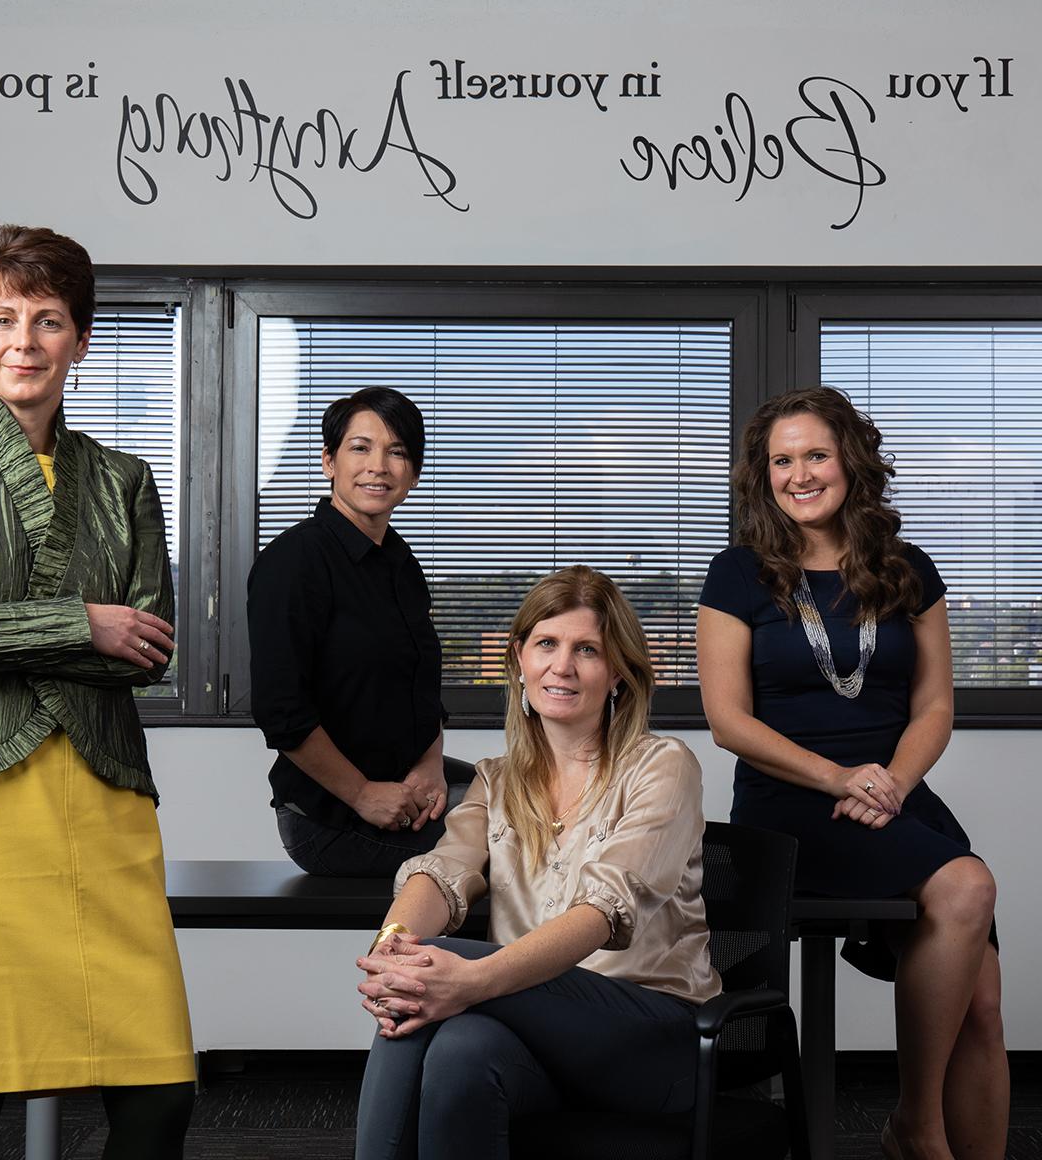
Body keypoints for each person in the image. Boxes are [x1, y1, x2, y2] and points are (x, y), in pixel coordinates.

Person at [0, 225, 196, 1160]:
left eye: (48, 319)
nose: (25, 339)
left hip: (102, 807)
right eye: (2, 317)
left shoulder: (127, 480)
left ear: (80, 341)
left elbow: (151, 653)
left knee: (158, 1098)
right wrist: (77, 622)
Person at [696, 386, 1007, 1160]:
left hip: (897, 792)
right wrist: (837, 779)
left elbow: (934, 705)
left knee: (985, 1007)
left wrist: (893, 782)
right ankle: (916, 1126)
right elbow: (729, 720)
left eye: (815, 456)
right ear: (762, 475)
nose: (799, 474)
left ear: (851, 464)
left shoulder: (909, 569)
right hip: (790, 802)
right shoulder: (739, 573)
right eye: (781, 461)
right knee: (967, 885)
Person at [352, 566, 720, 1160]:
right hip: (532, 1036)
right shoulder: (496, 781)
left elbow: (604, 911)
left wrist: (468, 979)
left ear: (619, 671)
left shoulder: (663, 766)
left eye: (588, 650)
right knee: (458, 1049)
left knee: (433, 972)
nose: (563, 666)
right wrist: (391, 950)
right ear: (518, 658)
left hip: (655, 1043)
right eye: (546, 644)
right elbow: (441, 874)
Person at [247, 386, 471, 876]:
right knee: (519, 857)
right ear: (329, 462)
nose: (379, 466)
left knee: (536, 809)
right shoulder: (293, 561)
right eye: (361, 447)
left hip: (408, 783)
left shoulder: (400, 560)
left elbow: (420, 682)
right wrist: (364, 794)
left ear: (413, 472)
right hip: (333, 817)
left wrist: (430, 765)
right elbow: (281, 712)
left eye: (397, 452)